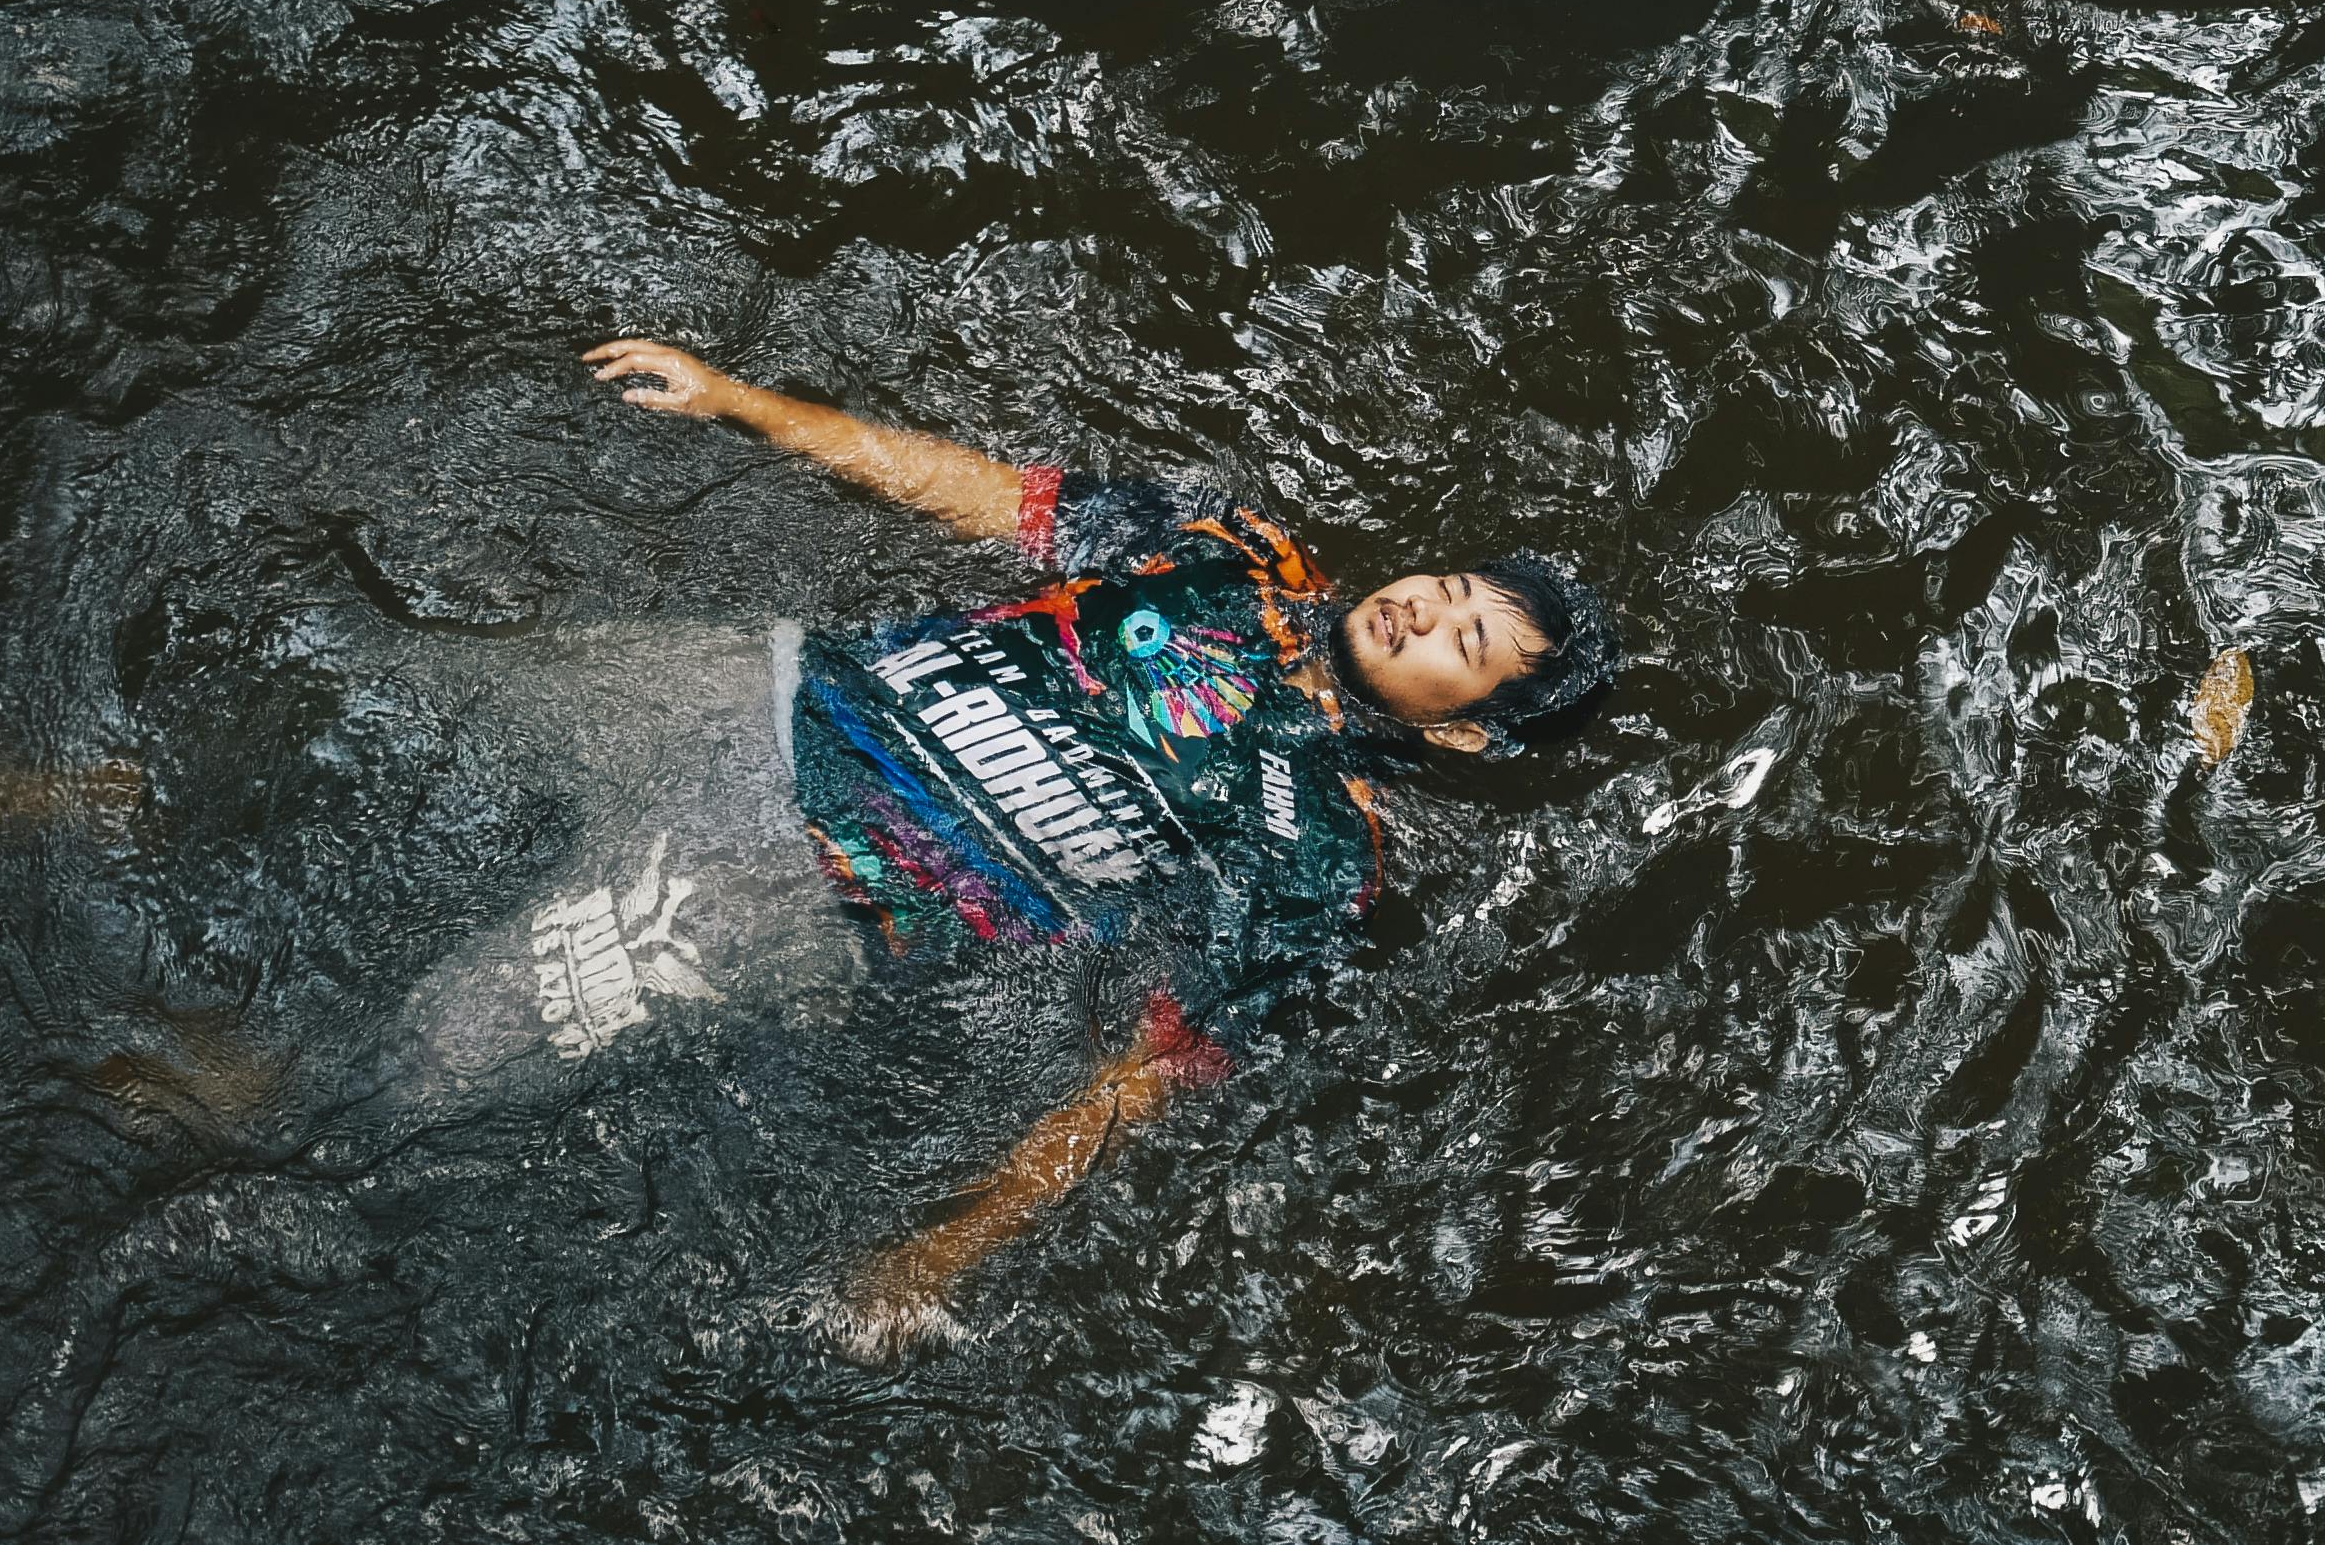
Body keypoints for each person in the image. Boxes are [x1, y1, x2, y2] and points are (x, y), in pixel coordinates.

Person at [389, 336, 1614, 1354]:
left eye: (1465, 642)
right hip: (751, 689)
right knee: (369, 683)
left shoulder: (1325, 860)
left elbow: (1143, 1078)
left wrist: (938, 1253)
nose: (1423, 609)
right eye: (1450, 584)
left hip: (793, 886)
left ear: (1466, 738)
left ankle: (226, 1086)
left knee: (430, 1056)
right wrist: (735, 402)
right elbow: (982, 494)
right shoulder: (1233, 551)